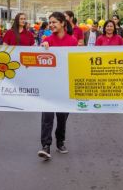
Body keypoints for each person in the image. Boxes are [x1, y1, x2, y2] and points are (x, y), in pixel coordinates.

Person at [38, 12, 78, 160]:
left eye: (54, 22)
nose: (52, 25)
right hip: (49, 84)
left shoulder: (73, 41)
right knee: (47, 116)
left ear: (62, 23)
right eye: (50, 22)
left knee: (62, 116)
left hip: (65, 83)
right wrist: (43, 47)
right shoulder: (46, 40)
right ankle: (45, 145)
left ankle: (60, 140)